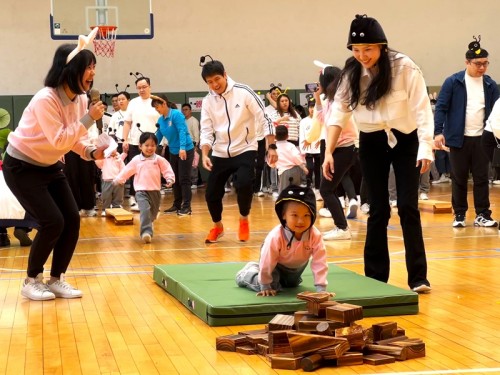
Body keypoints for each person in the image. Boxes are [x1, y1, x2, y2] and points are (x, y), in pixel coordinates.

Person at [322, 14, 432, 293]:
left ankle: (418, 277)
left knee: (408, 206)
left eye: (368, 49)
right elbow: (338, 114)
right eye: (356, 50)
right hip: (371, 140)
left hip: (406, 140)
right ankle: (375, 277)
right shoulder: (352, 75)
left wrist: (426, 146)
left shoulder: (405, 67)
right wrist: (328, 152)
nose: (362, 56)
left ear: (382, 46)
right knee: (378, 209)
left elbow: (422, 109)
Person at [2, 29, 108, 300]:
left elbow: (72, 140)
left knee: (71, 219)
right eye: (89, 67)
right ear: (72, 69)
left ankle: (56, 279)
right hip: (22, 166)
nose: (92, 72)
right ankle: (31, 280)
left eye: (94, 67)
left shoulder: (81, 98)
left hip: (49, 164)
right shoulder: (45, 99)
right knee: (52, 221)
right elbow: (61, 138)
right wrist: (88, 119)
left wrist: (90, 152)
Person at [199, 58, 277, 243]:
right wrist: (204, 153)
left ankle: (243, 219)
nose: (214, 84)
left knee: (243, 184)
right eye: (209, 82)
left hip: (245, 148)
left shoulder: (244, 92)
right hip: (220, 152)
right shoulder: (207, 101)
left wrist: (271, 146)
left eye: (217, 79)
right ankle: (218, 227)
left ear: (225, 75)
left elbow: (264, 117)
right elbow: (206, 130)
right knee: (211, 194)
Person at [434, 36, 499, 228]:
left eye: (485, 63)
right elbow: (441, 107)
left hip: (483, 139)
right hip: (458, 139)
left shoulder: (490, 85)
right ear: (467, 62)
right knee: (459, 178)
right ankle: (460, 214)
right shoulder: (453, 82)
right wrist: (438, 132)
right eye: (478, 64)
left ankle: (483, 215)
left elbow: (498, 111)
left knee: (481, 178)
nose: (482, 67)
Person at [235, 185, 328, 296]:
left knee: (291, 285)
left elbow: (320, 262)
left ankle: (275, 278)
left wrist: (321, 288)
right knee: (272, 287)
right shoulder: (276, 236)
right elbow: (268, 261)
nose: (300, 221)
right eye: (294, 215)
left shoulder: (315, 235)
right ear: (283, 215)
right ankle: (248, 273)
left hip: (296, 267)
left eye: (306, 215)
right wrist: (265, 284)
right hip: (275, 264)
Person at [308, 64, 359, 240]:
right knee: (328, 189)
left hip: (344, 149)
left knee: (326, 189)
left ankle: (342, 228)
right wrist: (317, 100)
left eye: (320, 81)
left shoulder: (340, 101)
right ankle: (342, 226)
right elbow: (323, 121)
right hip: (338, 149)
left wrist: (328, 153)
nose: (318, 85)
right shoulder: (330, 100)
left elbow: (336, 129)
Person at [114, 132, 175, 243]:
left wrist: (170, 178)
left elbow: (167, 169)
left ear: (156, 146)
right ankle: (146, 232)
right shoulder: (137, 160)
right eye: (146, 145)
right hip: (141, 191)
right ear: (140, 146)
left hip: (155, 191)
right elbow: (127, 170)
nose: (149, 148)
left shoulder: (158, 160)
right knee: (145, 210)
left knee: (153, 213)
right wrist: (119, 179)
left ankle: (149, 222)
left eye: (152, 145)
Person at [151, 94, 195, 216]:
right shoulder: (161, 120)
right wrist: (151, 148)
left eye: (157, 107)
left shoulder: (176, 114)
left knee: (184, 179)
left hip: (185, 149)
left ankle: (187, 207)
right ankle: (177, 205)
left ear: (164, 104)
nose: (157, 110)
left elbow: (182, 131)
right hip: (173, 151)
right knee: (174, 178)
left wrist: (182, 148)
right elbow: (158, 136)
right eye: (155, 108)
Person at [121, 75, 159, 210]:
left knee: (152, 171)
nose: (141, 90)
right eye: (139, 88)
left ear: (150, 87)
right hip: (135, 142)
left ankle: (152, 199)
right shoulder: (133, 103)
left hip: (153, 143)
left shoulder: (156, 101)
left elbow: (163, 122)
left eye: (144, 87)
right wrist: (124, 139)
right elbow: (127, 123)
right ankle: (134, 197)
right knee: (135, 170)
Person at [268, 125, 308, 193]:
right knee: (295, 191)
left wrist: (273, 165)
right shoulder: (291, 145)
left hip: (284, 172)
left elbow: (271, 162)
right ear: (287, 136)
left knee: (284, 193)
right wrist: (303, 167)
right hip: (296, 170)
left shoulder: (274, 148)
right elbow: (296, 156)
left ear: (275, 137)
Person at [95, 145, 127, 215]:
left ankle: (117, 208)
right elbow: (98, 163)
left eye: (114, 148)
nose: (112, 150)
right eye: (110, 149)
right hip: (107, 180)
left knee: (118, 196)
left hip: (118, 181)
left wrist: (122, 179)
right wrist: (98, 154)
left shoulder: (119, 158)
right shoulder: (104, 158)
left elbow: (123, 169)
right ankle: (105, 209)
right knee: (106, 196)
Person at [181, 103, 201, 189]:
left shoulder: (194, 121)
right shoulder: (182, 120)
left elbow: (197, 134)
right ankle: (187, 181)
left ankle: (194, 182)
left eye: (186, 109)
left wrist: (196, 145)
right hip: (183, 145)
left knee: (193, 165)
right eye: (183, 110)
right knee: (185, 165)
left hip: (192, 145)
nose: (184, 111)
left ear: (190, 111)